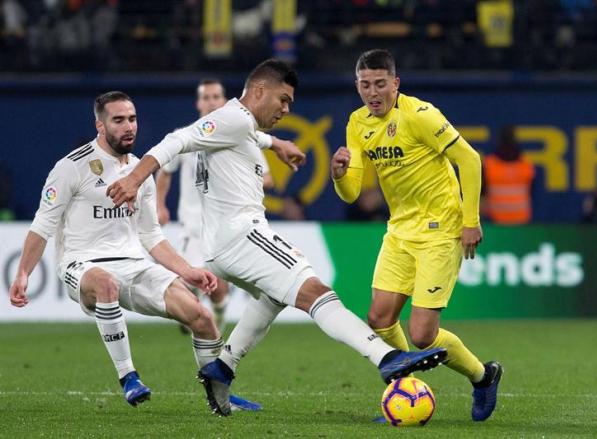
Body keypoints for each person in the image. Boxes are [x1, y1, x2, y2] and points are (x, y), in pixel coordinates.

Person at [107, 59, 447, 417]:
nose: (286, 109)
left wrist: (276, 143)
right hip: (243, 236)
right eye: (282, 100)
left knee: (273, 296)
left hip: (222, 243)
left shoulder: (240, 125)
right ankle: (388, 358)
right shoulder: (233, 118)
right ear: (258, 92)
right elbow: (177, 140)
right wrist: (134, 179)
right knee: (317, 292)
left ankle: (222, 367)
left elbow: (245, 132)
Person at [8, 91, 258, 413]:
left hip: (135, 264)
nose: (129, 127)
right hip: (82, 264)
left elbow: (151, 236)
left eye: (133, 119)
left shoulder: (141, 172)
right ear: (100, 125)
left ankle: (221, 401)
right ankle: (129, 377)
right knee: (105, 284)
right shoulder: (71, 167)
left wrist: (187, 271)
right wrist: (23, 273)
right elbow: (43, 224)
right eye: (119, 120)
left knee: (202, 318)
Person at [330, 49, 502, 422]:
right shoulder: (357, 123)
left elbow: (470, 159)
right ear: (357, 86)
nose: (373, 92)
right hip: (399, 231)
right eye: (365, 85)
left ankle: (483, 376)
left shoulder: (420, 115)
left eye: (380, 84)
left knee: (423, 336)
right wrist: (340, 174)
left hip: (441, 230)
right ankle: (404, 391)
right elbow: (352, 192)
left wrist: (470, 221)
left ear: (395, 83)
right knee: (378, 318)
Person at [155, 78, 273, 335]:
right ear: (199, 103)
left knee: (218, 286)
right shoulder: (185, 137)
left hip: (227, 222)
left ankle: (215, 321)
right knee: (192, 280)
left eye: (216, 97)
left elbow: (266, 176)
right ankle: (196, 312)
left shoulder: (241, 134)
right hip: (194, 225)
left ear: (224, 100)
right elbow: (165, 171)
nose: (211, 102)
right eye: (206, 97)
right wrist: (160, 205)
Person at [482, 125, 535, 224]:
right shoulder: (526, 165)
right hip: (510, 221)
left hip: (501, 221)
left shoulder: (488, 165)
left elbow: (481, 195)